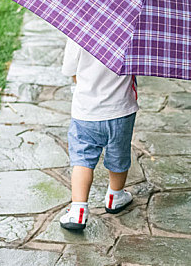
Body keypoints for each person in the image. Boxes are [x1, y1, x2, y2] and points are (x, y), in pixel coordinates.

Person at [59, 37, 139, 230]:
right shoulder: (133, 34)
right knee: (119, 155)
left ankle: (78, 209)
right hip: (121, 110)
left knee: (82, 160)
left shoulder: (78, 32)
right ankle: (115, 196)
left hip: (85, 112)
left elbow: (69, 70)